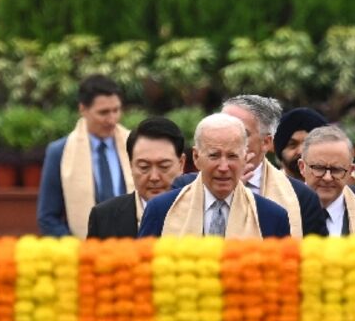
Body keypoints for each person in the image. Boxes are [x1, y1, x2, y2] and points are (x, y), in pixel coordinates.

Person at [169, 95, 327, 237]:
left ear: (266, 142)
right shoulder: (182, 190)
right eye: (221, 128)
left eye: (241, 133)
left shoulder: (301, 197)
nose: (227, 138)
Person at [138, 114, 290, 238]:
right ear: (196, 157)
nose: (223, 167)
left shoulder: (271, 217)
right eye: (214, 156)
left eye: (232, 156)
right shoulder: (161, 210)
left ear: (245, 159)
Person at [37, 75, 132, 238]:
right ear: (83, 109)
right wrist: (77, 250)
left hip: (134, 248)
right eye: (103, 112)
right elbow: (47, 217)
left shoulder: (135, 146)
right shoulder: (60, 152)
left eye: (116, 110)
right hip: (84, 253)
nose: (112, 119)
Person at [87, 116, 187, 239]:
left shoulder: (204, 211)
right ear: (130, 165)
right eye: (144, 167)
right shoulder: (103, 217)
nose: (154, 177)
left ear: (181, 163)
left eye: (163, 166)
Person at [298, 125, 355, 237]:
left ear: (350, 171)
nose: (327, 177)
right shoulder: (280, 214)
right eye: (319, 168)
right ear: (302, 167)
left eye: (337, 170)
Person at [274, 107, 328, 179]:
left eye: (309, 143)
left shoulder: (341, 189)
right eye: (292, 144)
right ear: (280, 152)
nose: (301, 151)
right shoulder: (267, 188)